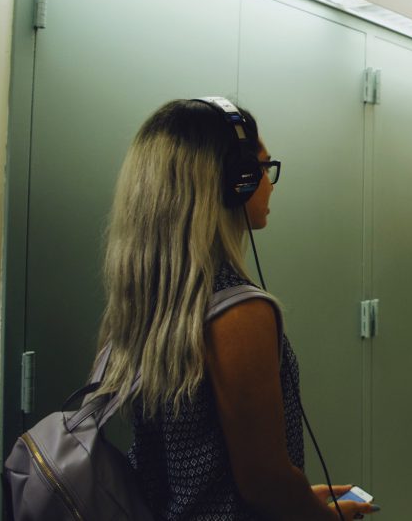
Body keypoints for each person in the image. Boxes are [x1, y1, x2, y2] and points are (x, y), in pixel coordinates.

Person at [90, 98, 376, 521]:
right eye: (261, 167)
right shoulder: (237, 313)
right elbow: (263, 482)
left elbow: (208, 460)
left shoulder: (154, 300)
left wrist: (298, 496)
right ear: (234, 181)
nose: (269, 182)